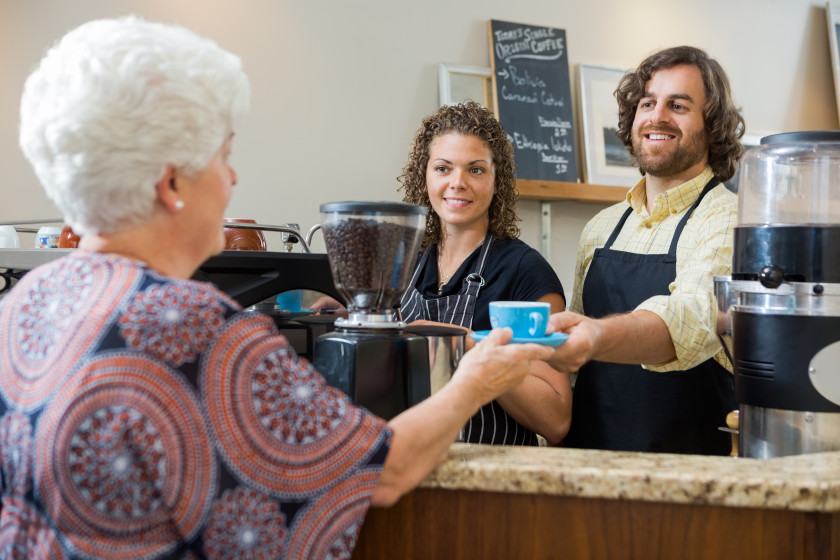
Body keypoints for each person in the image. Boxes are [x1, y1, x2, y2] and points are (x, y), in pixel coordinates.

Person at [0, 17, 554, 560]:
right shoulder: (197, 327)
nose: (233, 178)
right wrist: (472, 382)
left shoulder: (27, 300)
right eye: (224, 156)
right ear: (171, 183)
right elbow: (380, 474)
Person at [544, 46, 744, 455]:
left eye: (679, 105)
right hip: (589, 464)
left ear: (713, 124)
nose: (657, 116)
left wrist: (597, 334)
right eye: (647, 103)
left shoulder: (728, 218)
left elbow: (695, 317)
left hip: (689, 474)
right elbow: (576, 371)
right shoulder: (600, 227)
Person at [398, 102, 572, 447]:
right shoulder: (403, 262)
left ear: (497, 180)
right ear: (425, 175)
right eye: (443, 168)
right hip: (407, 468)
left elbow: (555, 419)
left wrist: (471, 346)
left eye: (475, 170)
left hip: (491, 483)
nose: (457, 182)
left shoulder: (525, 272)